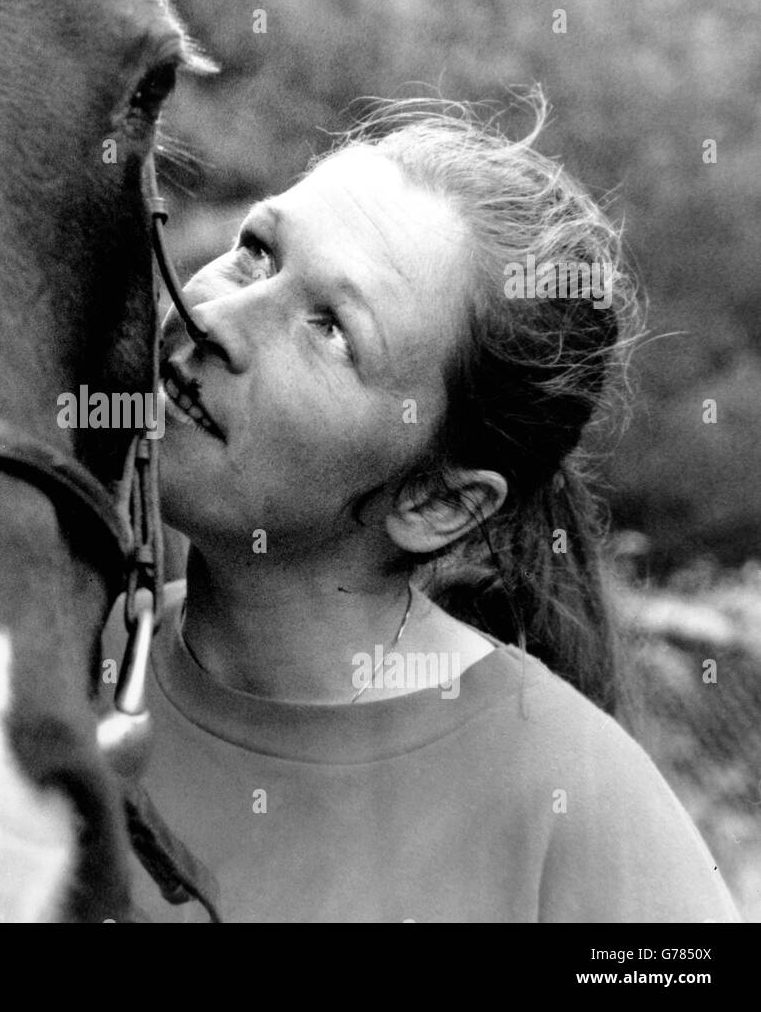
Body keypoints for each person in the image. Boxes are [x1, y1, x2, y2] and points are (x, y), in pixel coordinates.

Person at [106, 95, 742, 922]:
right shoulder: (52, 660)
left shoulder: (574, 807)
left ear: (437, 501)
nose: (217, 318)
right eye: (257, 253)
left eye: (332, 329)